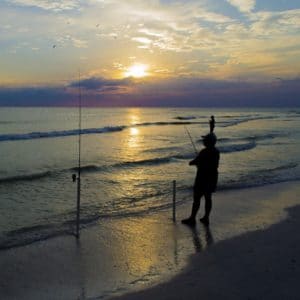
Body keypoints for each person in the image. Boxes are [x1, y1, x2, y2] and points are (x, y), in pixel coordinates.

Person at [182, 133, 220, 226]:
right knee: (208, 198)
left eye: (205, 140)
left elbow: (193, 162)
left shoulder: (204, 152)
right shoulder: (216, 151)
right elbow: (213, 165)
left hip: (202, 178)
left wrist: (194, 163)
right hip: (212, 177)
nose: (203, 141)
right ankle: (206, 217)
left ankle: (192, 218)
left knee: (197, 198)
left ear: (207, 142)